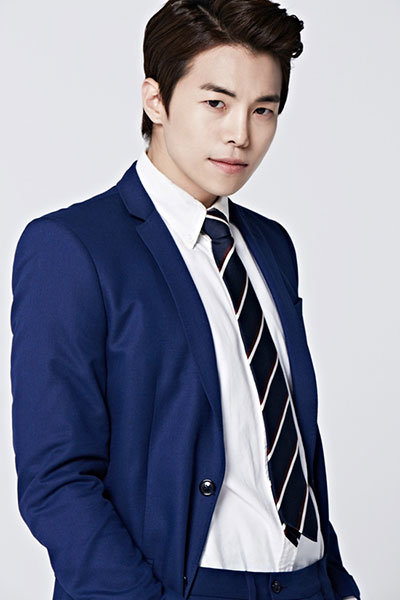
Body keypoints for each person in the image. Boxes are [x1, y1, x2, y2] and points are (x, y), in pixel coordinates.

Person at [10, 1, 361, 599]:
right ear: (156, 100)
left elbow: (290, 439)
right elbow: (56, 478)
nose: (240, 134)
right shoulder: (73, 247)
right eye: (216, 103)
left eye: (263, 110)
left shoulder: (271, 246)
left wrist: (335, 584)